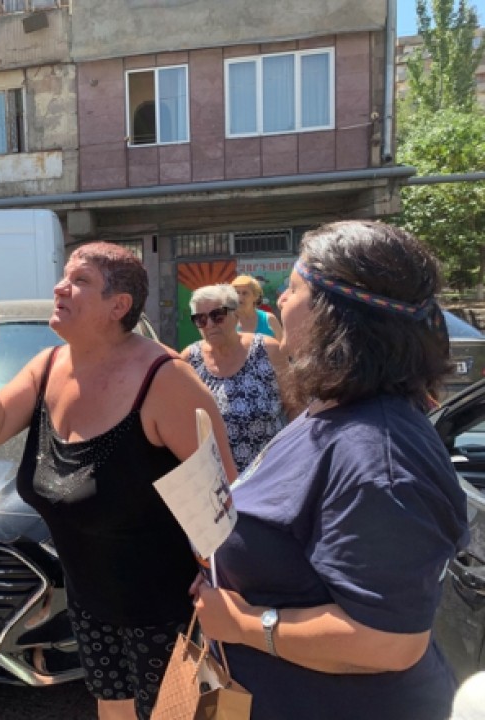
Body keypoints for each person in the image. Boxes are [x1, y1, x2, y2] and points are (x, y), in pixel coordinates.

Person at [193, 221, 469, 720]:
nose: (280, 300)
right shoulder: (334, 409)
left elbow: (389, 641)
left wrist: (242, 623)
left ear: (333, 314)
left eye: (293, 288)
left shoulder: (378, 457)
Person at [0, 242, 237, 720]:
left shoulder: (165, 380)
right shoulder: (48, 366)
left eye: (79, 281)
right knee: (114, 712)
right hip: (91, 603)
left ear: (118, 306)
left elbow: (225, 494)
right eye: (64, 277)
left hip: (170, 611)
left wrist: (220, 583)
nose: (59, 288)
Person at [181, 283, 289, 472]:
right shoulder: (189, 360)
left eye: (217, 315)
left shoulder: (267, 350)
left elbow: (295, 406)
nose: (210, 325)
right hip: (217, 479)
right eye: (201, 319)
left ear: (235, 314)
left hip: (269, 472)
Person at [231, 274, 281, 339]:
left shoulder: (269, 320)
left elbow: (282, 345)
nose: (240, 297)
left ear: (255, 297)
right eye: (237, 293)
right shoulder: (227, 321)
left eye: (245, 293)